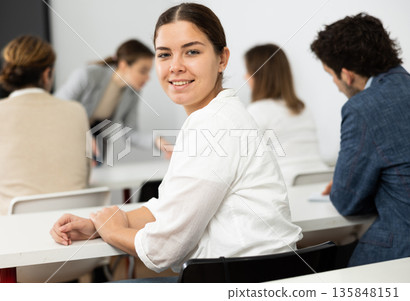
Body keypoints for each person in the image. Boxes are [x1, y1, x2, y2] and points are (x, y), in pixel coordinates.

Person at [50, 3, 302, 280]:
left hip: (237, 280)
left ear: (222, 59)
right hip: (253, 275)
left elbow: (162, 250)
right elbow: (168, 206)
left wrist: (113, 231)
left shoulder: (213, 124)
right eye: (164, 54)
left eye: (192, 52)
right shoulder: (217, 115)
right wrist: (99, 224)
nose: (175, 67)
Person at [311, 13, 410, 266]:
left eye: (330, 74)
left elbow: (347, 202)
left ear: (347, 75)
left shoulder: (362, 108)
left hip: (398, 253)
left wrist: (351, 181)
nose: (335, 84)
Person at [0, 35, 90, 216]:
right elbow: (85, 176)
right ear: (47, 74)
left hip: (13, 237)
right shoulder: (77, 111)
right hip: (72, 234)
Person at [55, 39, 170, 158]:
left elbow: (131, 133)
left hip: (97, 143)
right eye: (143, 71)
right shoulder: (87, 75)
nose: (147, 78)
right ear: (123, 65)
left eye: (149, 72)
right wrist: (82, 135)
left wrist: (158, 142)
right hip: (68, 135)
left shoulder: (133, 92)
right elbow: (56, 108)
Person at [244, 44, 329, 186]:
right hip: (321, 181)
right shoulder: (302, 108)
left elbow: (243, 162)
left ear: (258, 76)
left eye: (248, 71)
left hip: (286, 186)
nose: (245, 77)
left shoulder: (257, 110)